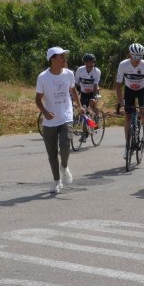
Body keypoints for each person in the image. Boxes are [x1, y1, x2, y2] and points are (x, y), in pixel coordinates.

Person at [35, 47, 82, 193]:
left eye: (64, 56)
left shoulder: (69, 73)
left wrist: (79, 106)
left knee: (65, 143)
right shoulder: (43, 77)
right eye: (61, 57)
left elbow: (72, 89)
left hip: (66, 116)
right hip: (50, 121)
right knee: (52, 153)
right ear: (52, 60)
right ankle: (56, 181)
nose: (65, 59)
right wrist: (45, 112)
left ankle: (65, 166)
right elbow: (37, 99)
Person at [115, 43, 144, 158]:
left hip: (141, 90)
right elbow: (118, 85)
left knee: (143, 112)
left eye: (140, 57)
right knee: (128, 117)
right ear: (129, 55)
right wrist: (121, 101)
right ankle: (127, 146)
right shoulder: (123, 65)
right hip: (129, 90)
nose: (137, 60)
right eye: (135, 57)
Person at [74, 53, 102, 137]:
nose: (89, 64)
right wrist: (75, 94)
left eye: (91, 62)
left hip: (93, 91)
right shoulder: (80, 70)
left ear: (94, 62)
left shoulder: (97, 71)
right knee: (83, 111)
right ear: (84, 62)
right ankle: (85, 130)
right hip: (83, 91)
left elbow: (95, 85)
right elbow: (76, 83)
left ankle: (97, 119)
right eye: (87, 62)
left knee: (92, 106)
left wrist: (93, 97)